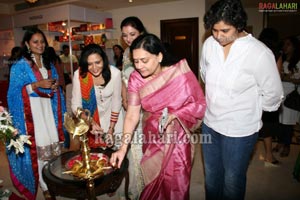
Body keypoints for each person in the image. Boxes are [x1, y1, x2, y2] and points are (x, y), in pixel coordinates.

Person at [200, 0, 284, 199]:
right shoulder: (209, 44)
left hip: (240, 130)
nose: (219, 36)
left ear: (239, 25)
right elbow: (204, 73)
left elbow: (274, 94)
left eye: (225, 30)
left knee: (232, 180)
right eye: (214, 30)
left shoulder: (259, 52)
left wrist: (249, 109)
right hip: (210, 124)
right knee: (211, 178)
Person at [110, 33, 206, 200]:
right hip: (152, 134)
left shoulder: (179, 74)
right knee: (153, 180)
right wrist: (123, 148)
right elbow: (132, 115)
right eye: (136, 61)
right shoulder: (135, 79)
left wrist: (176, 114)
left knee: (176, 181)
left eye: (144, 60)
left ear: (159, 56)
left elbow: (198, 104)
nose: (139, 66)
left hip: (178, 136)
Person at [7, 27, 69, 200]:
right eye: (35, 42)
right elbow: (13, 93)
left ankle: (53, 179)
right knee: (39, 149)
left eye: (42, 42)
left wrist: (54, 87)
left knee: (52, 146)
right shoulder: (20, 66)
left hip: (49, 111)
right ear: (27, 44)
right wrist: (36, 85)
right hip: (32, 115)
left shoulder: (49, 64)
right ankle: (44, 185)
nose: (40, 45)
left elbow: (54, 88)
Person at [71, 43, 124, 149]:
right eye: (89, 64)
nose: (94, 68)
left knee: (116, 156)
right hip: (92, 121)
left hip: (114, 119)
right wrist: (91, 121)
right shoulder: (80, 75)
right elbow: (75, 106)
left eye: (97, 62)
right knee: (97, 158)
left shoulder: (115, 73)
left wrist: (111, 129)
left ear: (104, 60)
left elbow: (116, 102)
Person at [119, 16, 148, 199]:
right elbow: (123, 77)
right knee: (129, 149)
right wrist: (124, 97)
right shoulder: (126, 52)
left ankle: (141, 192)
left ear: (141, 33)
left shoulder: (147, 51)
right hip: (128, 106)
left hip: (143, 109)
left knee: (141, 151)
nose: (128, 39)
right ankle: (133, 189)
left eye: (132, 34)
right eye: (125, 35)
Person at [258, 28, 281, 166]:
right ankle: (268, 155)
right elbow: (275, 79)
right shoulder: (276, 54)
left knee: (254, 124)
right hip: (267, 95)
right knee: (268, 126)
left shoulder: (256, 51)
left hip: (254, 94)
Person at [274, 36, 300, 157]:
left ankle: (287, 145)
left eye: (288, 45)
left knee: (288, 123)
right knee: (280, 121)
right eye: (284, 44)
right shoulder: (281, 59)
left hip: (291, 95)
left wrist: (286, 77)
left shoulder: (298, 62)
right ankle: (279, 142)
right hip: (281, 93)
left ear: (294, 47)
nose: (285, 47)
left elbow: (297, 79)